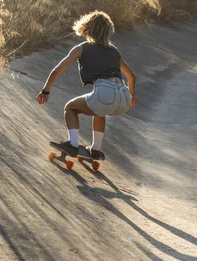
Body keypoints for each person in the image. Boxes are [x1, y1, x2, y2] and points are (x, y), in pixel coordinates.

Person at [36, 11, 137, 158]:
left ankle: (73, 145)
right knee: (100, 111)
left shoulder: (81, 48)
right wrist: (132, 96)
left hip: (105, 92)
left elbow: (58, 69)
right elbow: (131, 77)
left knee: (70, 108)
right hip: (123, 95)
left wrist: (45, 91)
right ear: (108, 30)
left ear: (87, 28)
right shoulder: (114, 51)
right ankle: (95, 150)